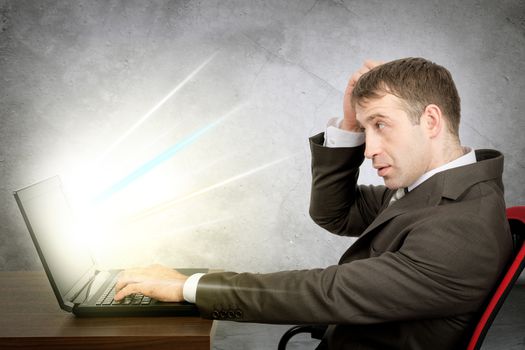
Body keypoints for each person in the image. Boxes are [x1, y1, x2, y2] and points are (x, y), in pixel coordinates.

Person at [115, 58, 513, 349]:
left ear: (430, 121)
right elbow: (335, 213)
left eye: (380, 125)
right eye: (365, 129)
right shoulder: (436, 191)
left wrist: (189, 287)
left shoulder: (460, 226)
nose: (369, 149)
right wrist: (349, 128)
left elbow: (326, 292)